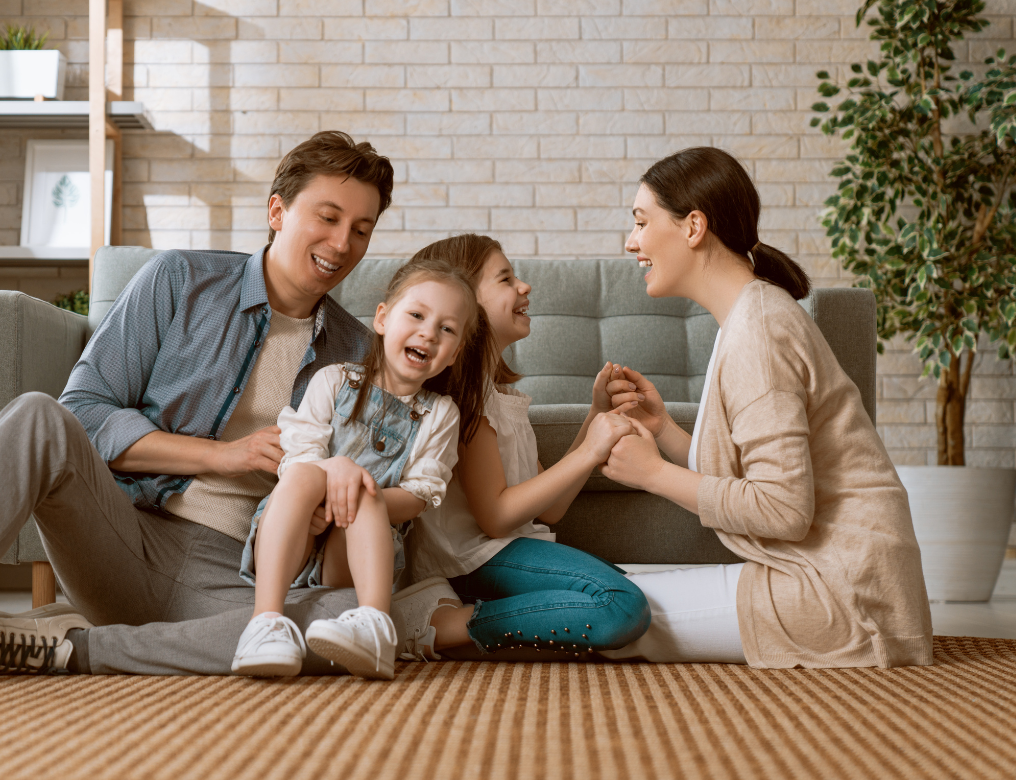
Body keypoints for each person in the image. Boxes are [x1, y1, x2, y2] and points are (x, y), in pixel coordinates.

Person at [0, 131, 446, 703]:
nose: (343, 242)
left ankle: (68, 647)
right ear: (277, 210)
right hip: (127, 537)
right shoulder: (178, 281)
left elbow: (375, 492)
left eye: (361, 228)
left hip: (240, 583)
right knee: (37, 417)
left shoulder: (365, 350)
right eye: (327, 216)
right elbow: (82, 413)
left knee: (357, 623)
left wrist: (335, 501)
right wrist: (216, 456)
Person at [593, 146, 932, 668]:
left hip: (843, 593)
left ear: (693, 227)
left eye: (641, 222)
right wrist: (664, 430)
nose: (631, 241)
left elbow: (783, 509)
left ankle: (444, 627)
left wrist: (654, 474)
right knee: (610, 591)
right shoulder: (752, 314)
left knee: (600, 611)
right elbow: (761, 477)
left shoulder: (759, 330)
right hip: (833, 576)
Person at [388, 234, 652, 662]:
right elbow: (496, 517)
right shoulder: (465, 399)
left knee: (627, 596)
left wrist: (594, 417)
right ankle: (440, 627)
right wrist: (590, 451)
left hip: (500, 553)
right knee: (619, 604)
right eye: (506, 278)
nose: (524, 287)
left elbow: (549, 510)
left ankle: (464, 627)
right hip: (472, 562)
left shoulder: (497, 397)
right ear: (464, 302)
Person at [232, 256, 490, 680]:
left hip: (353, 556)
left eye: (447, 329)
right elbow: (298, 457)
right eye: (417, 315)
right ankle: (266, 624)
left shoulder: (439, 413)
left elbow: (419, 497)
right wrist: (336, 473)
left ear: (454, 353)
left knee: (367, 491)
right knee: (305, 474)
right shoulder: (333, 381)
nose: (429, 332)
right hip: (292, 538)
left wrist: (352, 494)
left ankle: (373, 627)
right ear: (383, 319)